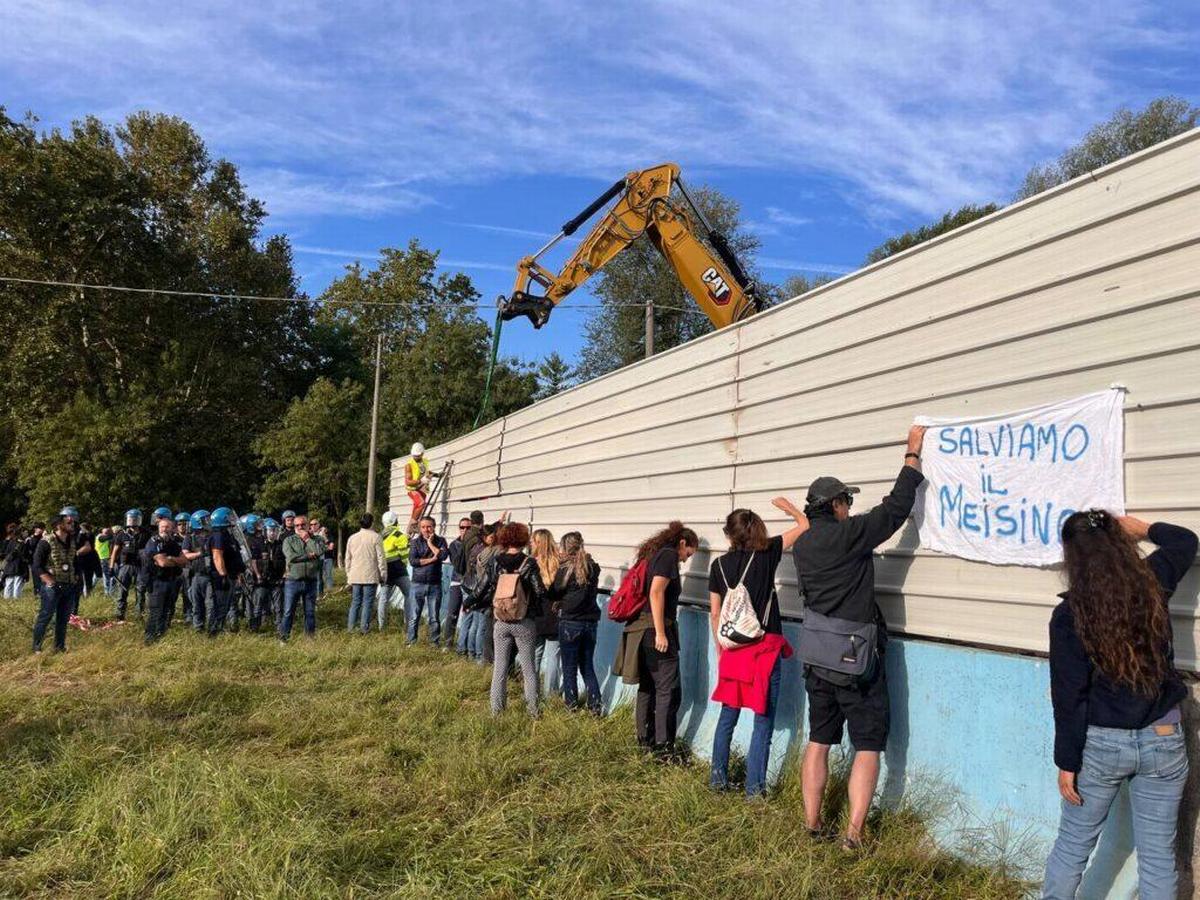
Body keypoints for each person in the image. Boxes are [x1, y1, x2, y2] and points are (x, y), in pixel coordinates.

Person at [1041, 512, 1197, 900]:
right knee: (1159, 858)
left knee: (1073, 847)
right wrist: (1142, 528)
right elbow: (1185, 540)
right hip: (1163, 736)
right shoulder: (1153, 582)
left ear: (1070, 557)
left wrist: (1067, 762)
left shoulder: (1068, 615)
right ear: (1120, 543)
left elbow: (1069, 697)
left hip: (1101, 746)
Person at [793, 425, 925, 850]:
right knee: (867, 744)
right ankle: (853, 833)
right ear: (834, 505)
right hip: (856, 661)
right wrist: (911, 455)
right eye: (847, 501)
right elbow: (896, 508)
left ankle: (812, 825)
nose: (850, 507)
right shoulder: (850, 535)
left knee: (819, 740)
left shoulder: (804, 546)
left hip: (817, 658)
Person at [708, 504, 810, 797]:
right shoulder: (767, 554)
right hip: (764, 650)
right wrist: (788, 507)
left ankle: (718, 782)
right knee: (762, 721)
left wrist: (720, 651)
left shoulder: (717, 567)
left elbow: (715, 615)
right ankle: (755, 791)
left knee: (727, 717)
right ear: (756, 530)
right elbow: (804, 526)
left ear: (729, 534)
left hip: (732, 653)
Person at [613, 521, 700, 760]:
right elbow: (656, 592)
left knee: (648, 687)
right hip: (655, 631)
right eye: (688, 554)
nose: (685, 560)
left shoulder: (655, 556)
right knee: (668, 691)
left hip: (642, 630)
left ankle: (645, 742)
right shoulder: (668, 556)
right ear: (682, 543)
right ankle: (664, 749)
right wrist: (661, 633)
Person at [476, 522, 549, 717]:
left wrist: (470, 601)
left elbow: (483, 587)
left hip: (501, 621)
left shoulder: (496, 561)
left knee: (499, 667)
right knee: (528, 669)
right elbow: (540, 591)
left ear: (504, 539)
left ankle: (496, 711)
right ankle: (533, 712)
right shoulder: (528, 562)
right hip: (523, 622)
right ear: (524, 539)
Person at [554, 531, 602, 713]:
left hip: (570, 622)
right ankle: (595, 706)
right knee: (587, 666)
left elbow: (555, 591)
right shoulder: (593, 567)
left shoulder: (565, 569)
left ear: (566, 548)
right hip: (590, 622)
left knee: (569, 668)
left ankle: (571, 707)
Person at [31, 507, 90, 653]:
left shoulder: (72, 541)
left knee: (63, 619)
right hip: (52, 587)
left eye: (74, 522)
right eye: (69, 521)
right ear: (59, 524)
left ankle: (59, 647)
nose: (73, 524)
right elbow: (37, 566)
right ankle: (37, 647)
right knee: (45, 616)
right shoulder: (46, 542)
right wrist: (50, 582)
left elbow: (75, 561)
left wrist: (76, 577)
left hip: (69, 586)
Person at [143, 514, 188, 644]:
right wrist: (173, 560)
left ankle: (161, 637)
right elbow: (162, 563)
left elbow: (184, 561)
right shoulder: (153, 542)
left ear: (173, 529)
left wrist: (171, 559)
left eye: (168, 527)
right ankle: (149, 639)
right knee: (155, 611)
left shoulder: (173, 544)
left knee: (166, 611)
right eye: (162, 527)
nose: (164, 529)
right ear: (158, 528)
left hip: (171, 580)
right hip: (157, 582)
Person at [279, 514, 323, 642]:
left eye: (302, 525)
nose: (300, 527)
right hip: (293, 581)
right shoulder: (289, 540)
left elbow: (320, 551)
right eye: (296, 525)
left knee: (310, 612)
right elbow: (291, 556)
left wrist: (308, 540)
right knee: (288, 611)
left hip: (311, 581)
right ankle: (283, 638)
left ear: (308, 525)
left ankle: (310, 639)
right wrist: (309, 556)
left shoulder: (316, 539)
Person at [530, 528, 563, 696]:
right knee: (553, 659)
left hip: (537, 615)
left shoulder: (531, 564)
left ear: (538, 543)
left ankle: (532, 694)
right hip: (556, 615)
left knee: (534, 657)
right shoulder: (560, 563)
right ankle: (551, 696)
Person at [406, 516, 448, 646]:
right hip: (418, 583)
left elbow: (443, 556)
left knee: (434, 617)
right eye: (423, 527)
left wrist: (430, 544)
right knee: (414, 616)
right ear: (420, 528)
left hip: (434, 583)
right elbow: (413, 562)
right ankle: (411, 642)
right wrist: (431, 560)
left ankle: (434, 643)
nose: (426, 529)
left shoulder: (440, 541)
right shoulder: (415, 542)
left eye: (429, 526)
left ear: (434, 527)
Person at [206, 507, 245, 636]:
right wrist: (223, 576)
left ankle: (219, 627)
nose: (232, 519)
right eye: (229, 517)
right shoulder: (218, 535)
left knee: (226, 604)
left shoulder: (228, 534)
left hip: (230, 574)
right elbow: (217, 555)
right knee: (220, 604)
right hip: (221, 576)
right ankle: (214, 631)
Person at [345, 513, 386, 635]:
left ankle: (351, 628)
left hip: (355, 575)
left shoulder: (352, 537)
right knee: (368, 603)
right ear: (372, 523)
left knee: (355, 602)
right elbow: (381, 558)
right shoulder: (376, 537)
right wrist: (383, 575)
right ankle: (364, 628)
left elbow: (348, 558)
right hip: (370, 575)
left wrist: (349, 574)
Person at [111, 509, 149, 620]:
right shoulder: (122, 534)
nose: (132, 521)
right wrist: (111, 566)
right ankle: (120, 614)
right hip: (126, 565)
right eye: (130, 519)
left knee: (141, 591)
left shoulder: (145, 534)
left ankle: (139, 614)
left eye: (135, 519)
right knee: (122, 590)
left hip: (141, 566)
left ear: (139, 520)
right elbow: (115, 551)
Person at [380, 511, 411, 633]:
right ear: (395, 521)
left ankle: (382, 627)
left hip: (385, 571)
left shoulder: (379, 535)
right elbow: (404, 554)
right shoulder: (399, 535)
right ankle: (408, 625)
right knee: (409, 594)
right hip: (399, 570)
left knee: (383, 599)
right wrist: (404, 563)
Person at [444, 517, 472, 650]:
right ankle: (448, 643)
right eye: (462, 527)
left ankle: (464, 646)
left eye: (468, 528)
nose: (465, 530)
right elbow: (457, 564)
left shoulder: (475, 544)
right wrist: (464, 544)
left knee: (468, 614)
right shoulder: (454, 544)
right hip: (457, 581)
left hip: (470, 584)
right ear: (459, 528)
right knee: (452, 613)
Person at [403, 443, 441, 532]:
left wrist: (435, 474)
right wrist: (421, 481)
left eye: (417, 455)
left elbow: (426, 472)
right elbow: (408, 481)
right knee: (421, 503)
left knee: (416, 508)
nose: (416, 457)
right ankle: (413, 525)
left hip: (422, 489)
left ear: (422, 454)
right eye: (414, 455)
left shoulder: (424, 462)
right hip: (413, 489)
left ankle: (409, 529)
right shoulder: (409, 465)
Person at [185, 511, 211, 630]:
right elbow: (186, 555)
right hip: (197, 574)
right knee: (197, 603)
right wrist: (199, 554)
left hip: (211, 575)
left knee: (210, 603)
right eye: (205, 520)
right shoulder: (190, 538)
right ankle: (198, 627)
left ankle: (212, 627)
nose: (208, 522)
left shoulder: (212, 536)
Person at [258, 518, 286, 628]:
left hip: (277, 579)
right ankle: (263, 626)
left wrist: (284, 575)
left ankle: (279, 626)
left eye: (275, 530)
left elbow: (286, 560)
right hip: (264, 580)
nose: (273, 533)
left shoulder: (281, 544)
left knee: (278, 606)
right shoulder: (261, 544)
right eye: (270, 530)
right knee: (263, 604)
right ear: (265, 531)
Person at [2, 522, 23, 598]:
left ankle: (7, 598)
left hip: (9, 564)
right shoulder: (20, 542)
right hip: (17, 564)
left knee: (9, 583)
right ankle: (16, 599)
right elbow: (23, 554)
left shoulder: (8, 541)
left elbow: (3, 553)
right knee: (16, 583)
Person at [95, 526, 114, 596]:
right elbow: (109, 537)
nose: (107, 534)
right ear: (101, 532)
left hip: (103, 558)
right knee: (106, 575)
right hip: (102, 558)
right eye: (106, 532)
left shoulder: (103, 537)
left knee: (97, 575)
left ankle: (89, 588)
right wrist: (113, 533)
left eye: (107, 532)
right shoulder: (100, 537)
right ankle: (107, 592)